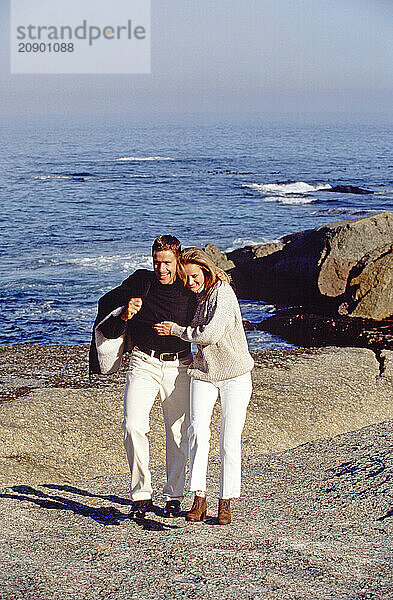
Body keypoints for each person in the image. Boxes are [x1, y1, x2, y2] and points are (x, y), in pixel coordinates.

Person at [89, 236, 196, 519]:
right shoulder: (140, 282)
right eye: (157, 262)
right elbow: (106, 318)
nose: (161, 269)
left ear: (179, 260)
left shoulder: (190, 290)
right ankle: (142, 495)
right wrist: (125, 314)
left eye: (167, 263)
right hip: (143, 363)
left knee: (177, 433)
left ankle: (174, 496)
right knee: (133, 426)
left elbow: (210, 317)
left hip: (180, 366)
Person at [154, 247, 254, 525]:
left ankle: (226, 501)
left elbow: (209, 333)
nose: (190, 283)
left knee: (228, 440)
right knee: (196, 431)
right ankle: (199, 497)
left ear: (206, 270)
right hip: (204, 373)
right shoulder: (196, 296)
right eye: (185, 278)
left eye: (194, 276)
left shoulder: (222, 292)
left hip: (235, 375)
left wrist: (175, 330)